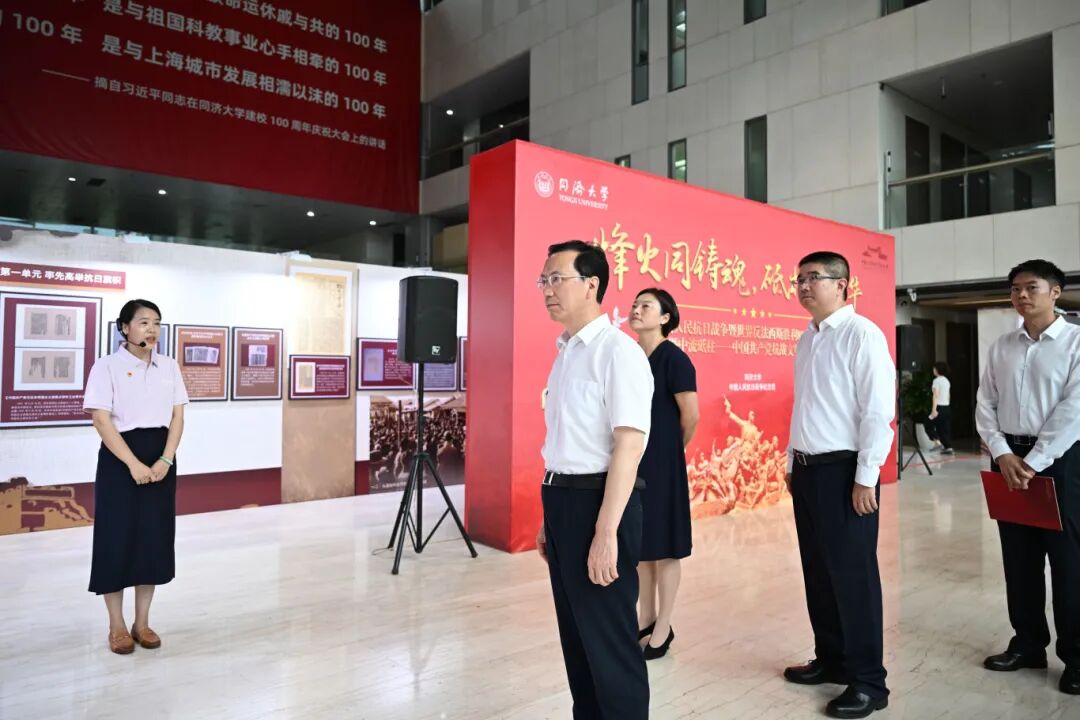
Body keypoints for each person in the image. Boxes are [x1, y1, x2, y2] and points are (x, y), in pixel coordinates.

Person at [535, 240, 654, 718]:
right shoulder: (566, 353)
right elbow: (566, 442)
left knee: (609, 642)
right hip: (562, 501)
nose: (547, 290)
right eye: (543, 280)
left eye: (557, 279)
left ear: (591, 285)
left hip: (600, 504)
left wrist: (606, 532)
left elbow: (629, 445)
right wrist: (549, 518)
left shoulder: (617, 352)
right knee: (577, 638)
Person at [783, 251, 894, 719]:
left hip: (845, 472)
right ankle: (832, 658)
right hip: (808, 471)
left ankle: (869, 682)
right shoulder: (807, 339)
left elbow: (877, 411)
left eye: (814, 278)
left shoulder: (862, 334)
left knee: (853, 577)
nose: (804, 286)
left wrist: (867, 476)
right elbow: (805, 405)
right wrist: (791, 461)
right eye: (799, 279)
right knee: (819, 571)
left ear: (842, 284)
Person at [974, 259, 1080, 696]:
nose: (1021, 295)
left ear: (1055, 291)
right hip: (1008, 459)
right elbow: (985, 402)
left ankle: (1077, 657)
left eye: (1031, 287)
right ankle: (1028, 644)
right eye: (1015, 288)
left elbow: (1075, 410)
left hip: (1062, 460)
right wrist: (1001, 452)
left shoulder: (1076, 342)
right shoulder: (1002, 346)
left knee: (1069, 562)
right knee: (1018, 559)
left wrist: (1034, 461)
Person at [82, 299, 188, 655]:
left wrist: (166, 459)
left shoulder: (169, 366)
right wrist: (133, 464)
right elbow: (101, 420)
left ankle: (142, 623)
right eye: (143, 322)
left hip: (161, 457)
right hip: (119, 458)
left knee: (152, 539)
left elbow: (177, 418)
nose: (152, 329)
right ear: (124, 327)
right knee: (115, 538)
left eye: (156, 322)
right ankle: (116, 625)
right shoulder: (106, 366)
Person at [628, 288, 699, 661]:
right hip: (633, 462)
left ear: (666, 318)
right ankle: (646, 618)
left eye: (646, 306)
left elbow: (691, 416)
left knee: (667, 548)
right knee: (642, 547)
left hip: (664, 465)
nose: (636, 310)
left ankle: (664, 627)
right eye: (635, 305)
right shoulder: (630, 357)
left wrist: (670, 451)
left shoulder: (675, 359)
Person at [926, 362, 953, 454]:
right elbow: (948, 395)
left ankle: (937, 442)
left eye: (934, 368)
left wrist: (934, 409)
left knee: (928, 423)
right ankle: (948, 447)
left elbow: (935, 395)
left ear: (937, 370)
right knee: (943, 428)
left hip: (939, 407)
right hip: (947, 407)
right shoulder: (946, 381)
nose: (933, 370)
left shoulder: (936, 381)